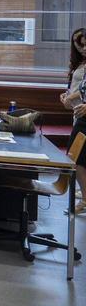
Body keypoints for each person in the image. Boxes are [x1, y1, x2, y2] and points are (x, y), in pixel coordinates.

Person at [60, 27, 86, 216]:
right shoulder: (80, 63)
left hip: (84, 117)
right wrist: (69, 97)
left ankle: (85, 199)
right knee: (80, 159)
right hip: (79, 113)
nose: (82, 48)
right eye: (78, 44)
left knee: (76, 159)